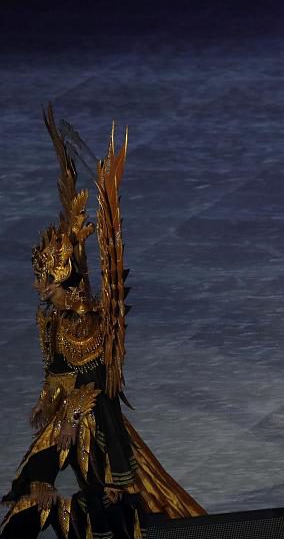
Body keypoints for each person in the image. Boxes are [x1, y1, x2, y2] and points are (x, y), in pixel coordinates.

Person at [1, 105, 205, 539]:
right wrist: (47, 397)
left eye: (47, 282)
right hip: (67, 426)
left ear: (67, 281)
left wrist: (72, 415)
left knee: (104, 507)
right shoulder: (55, 323)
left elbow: (94, 386)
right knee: (31, 498)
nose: (41, 289)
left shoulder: (91, 326)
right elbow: (59, 372)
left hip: (96, 430)